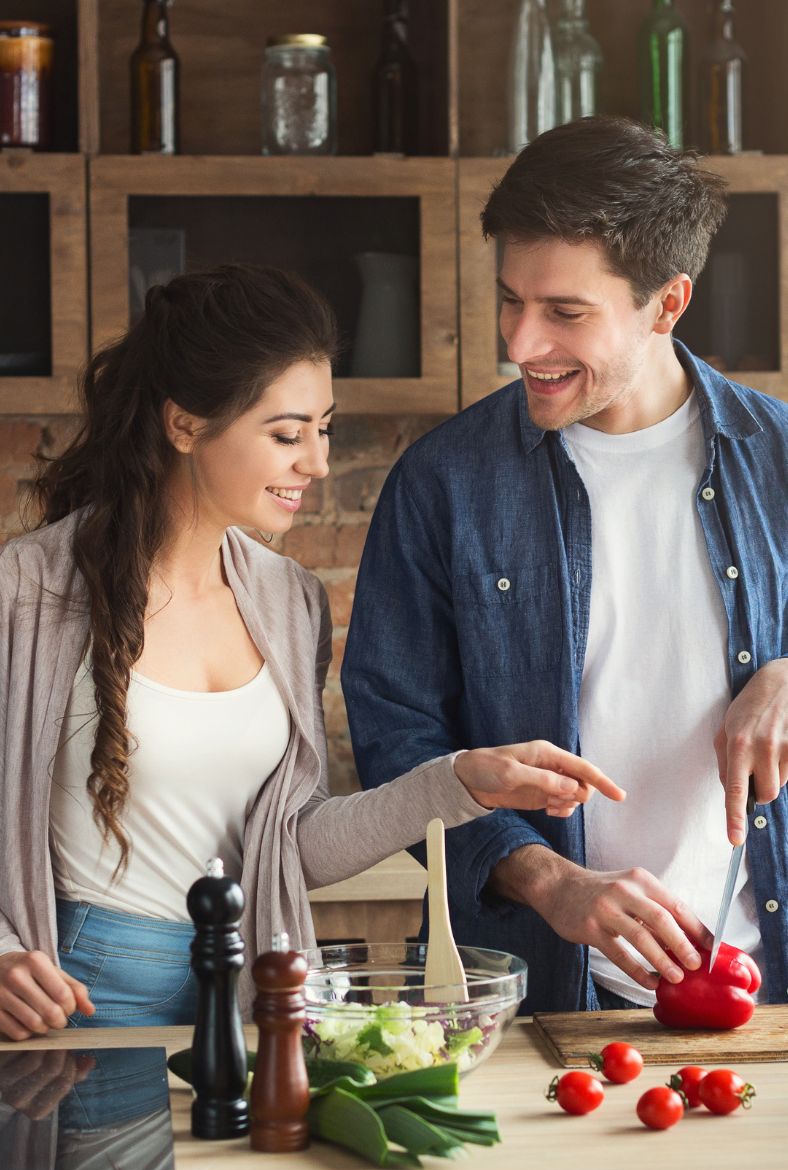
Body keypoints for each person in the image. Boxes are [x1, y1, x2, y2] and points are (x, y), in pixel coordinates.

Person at [0, 263, 625, 1043]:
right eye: (287, 433)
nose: (317, 463)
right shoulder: (28, 590)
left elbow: (290, 844)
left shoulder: (288, 600)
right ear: (185, 424)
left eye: (323, 429)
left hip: (256, 992)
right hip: (82, 995)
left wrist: (460, 782)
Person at [342, 116, 788, 1015]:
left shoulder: (779, 458)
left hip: (760, 990)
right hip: (529, 998)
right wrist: (549, 881)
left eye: (565, 314)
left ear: (667, 304)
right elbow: (398, 743)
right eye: (511, 299)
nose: (520, 344)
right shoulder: (444, 483)